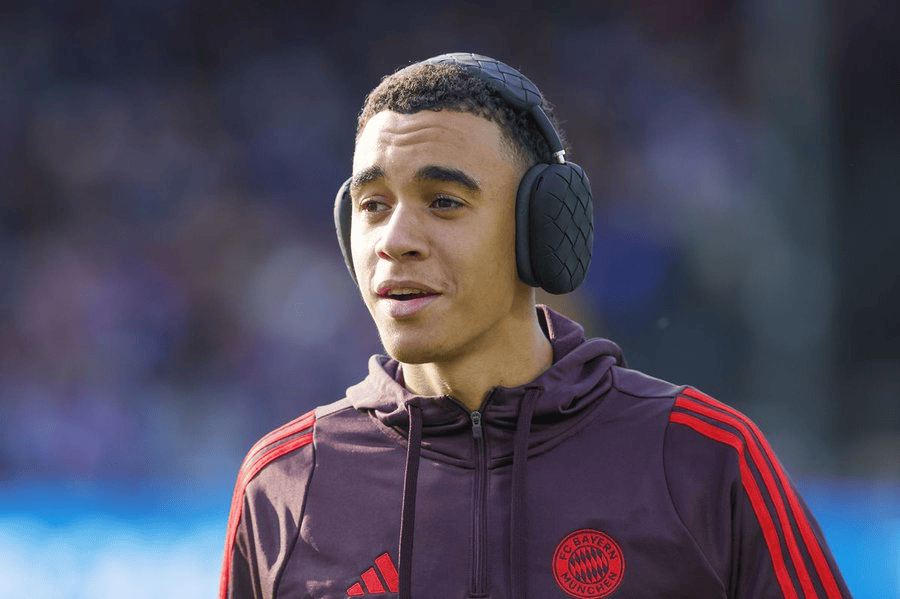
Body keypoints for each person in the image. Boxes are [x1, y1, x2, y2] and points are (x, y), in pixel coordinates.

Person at [219, 52, 852, 599]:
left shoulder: (705, 458)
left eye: (444, 201)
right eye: (373, 205)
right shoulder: (281, 484)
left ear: (542, 228)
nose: (394, 240)